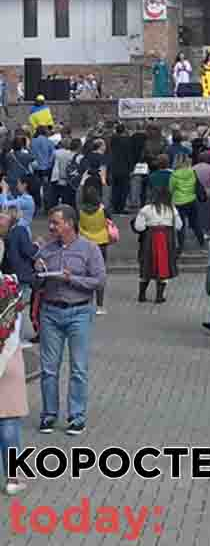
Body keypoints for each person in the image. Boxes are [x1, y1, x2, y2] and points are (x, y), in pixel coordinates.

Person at [34, 205, 106, 436]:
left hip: (79, 312)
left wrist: (71, 279)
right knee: (49, 368)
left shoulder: (89, 249)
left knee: (78, 368)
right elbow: (35, 282)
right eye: (51, 222)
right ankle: (49, 415)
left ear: (69, 224)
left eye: (56, 222)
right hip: (51, 312)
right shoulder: (45, 249)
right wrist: (38, 270)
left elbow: (98, 280)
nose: (51, 227)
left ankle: (76, 417)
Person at [133, 185, 182, 304]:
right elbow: (179, 226)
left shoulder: (146, 209)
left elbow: (139, 227)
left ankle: (142, 295)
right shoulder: (172, 209)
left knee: (147, 265)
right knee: (163, 265)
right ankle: (159, 296)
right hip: (166, 239)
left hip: (149, 239)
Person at [0, 291, 28, 495]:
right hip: (7, 359)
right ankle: (12, 478)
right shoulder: (10, 291)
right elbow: (15, 331)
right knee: (9, 421)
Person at [76, 184, 111, 315]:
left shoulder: (80, 210)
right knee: (99, 273)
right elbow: (109, 221)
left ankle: (84, 301)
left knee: (84, 273)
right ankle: (100, 306)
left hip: (85, 242)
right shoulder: (103, 210)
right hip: (101, 243)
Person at [170, 153, 203, 250]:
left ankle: (180, 245)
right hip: (192, 200)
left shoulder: (174, 174)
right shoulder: (192, 172)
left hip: (179, 201)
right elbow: (195, 185)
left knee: (181, 224)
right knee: (195, 222)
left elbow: (171, 188)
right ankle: (201, 240)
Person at [108, 125, 133, 215]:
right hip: (124, 168)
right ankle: (121, 207)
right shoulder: (127, 141)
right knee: (124, 189)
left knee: (115, 188)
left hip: (114, 167)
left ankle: (115, 206)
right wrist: (131, 168)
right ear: (124, 130)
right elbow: (129, 155)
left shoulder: (112, 140)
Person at [50, 137, 79, 210]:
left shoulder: (56, 152)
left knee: (54, 196)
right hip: (66, 178)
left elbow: (50, 163)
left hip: (56, 177)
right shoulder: (70, 154)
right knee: (65, 197)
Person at [31, 126, 54, 209]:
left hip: (36, 168)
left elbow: (32, 154)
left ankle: (37, 204)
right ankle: (47, 206)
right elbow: (52, 155)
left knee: (36, 187)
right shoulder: (49, 141)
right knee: (46, 188)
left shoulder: (33, 141)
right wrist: (49, 163)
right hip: (46, 168)